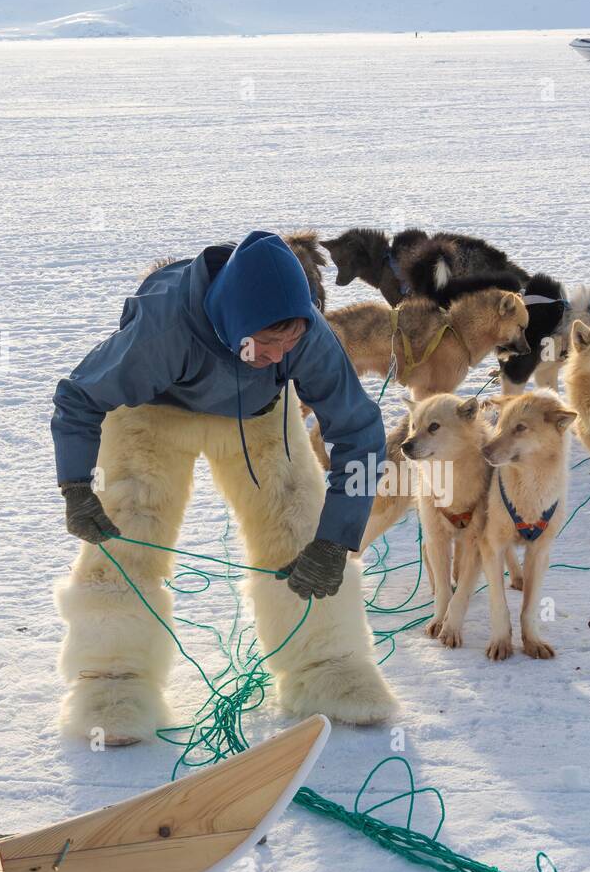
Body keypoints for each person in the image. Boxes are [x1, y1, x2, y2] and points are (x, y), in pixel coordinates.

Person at [50, 231, 400, 745]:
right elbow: (78, 397)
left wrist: (336, 539)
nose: (280, 352)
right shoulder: (161, 331)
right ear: (236, 323)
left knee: (298, 517)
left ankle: (328, 662)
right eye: (267, 341)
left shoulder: (303, 336)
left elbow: (359, 430)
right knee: (125, 528)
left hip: (257, 413)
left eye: (290, 342)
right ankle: (111, 679)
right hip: (152, 409)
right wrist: (76, 487)